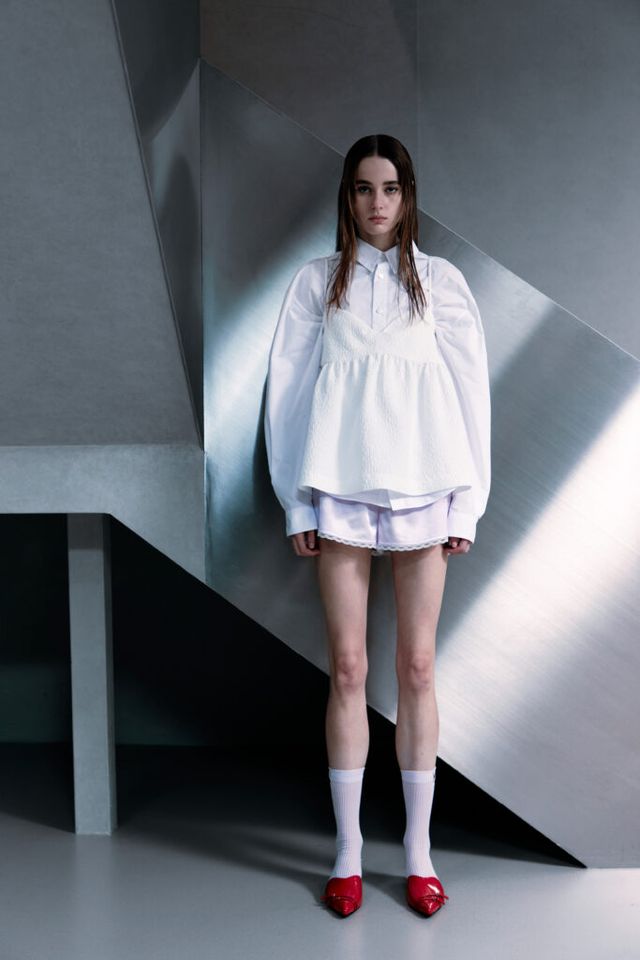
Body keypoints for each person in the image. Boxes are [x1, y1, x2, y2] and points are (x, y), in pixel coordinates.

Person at [264, 134, 491, 917]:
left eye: (390, 188)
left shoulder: (443, 284)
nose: (377, 203)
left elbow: (470, 398)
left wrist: (468, 504)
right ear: (348, 197)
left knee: (418, 668)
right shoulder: (314, 283)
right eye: (363, 188)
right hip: (339, 489)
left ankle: (420, 853)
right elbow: (288, 398)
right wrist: (297, 501)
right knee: (351, 669)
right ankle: (349, 853)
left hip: (428, 488)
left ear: (408, 194)